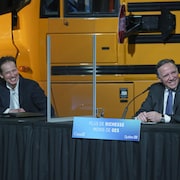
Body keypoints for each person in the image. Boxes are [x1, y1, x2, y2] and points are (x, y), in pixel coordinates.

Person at [135, 58, 180, 123]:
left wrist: (163, 118)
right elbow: (143, 110)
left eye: (173, 72)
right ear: (159, 79)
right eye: (166, 75)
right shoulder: (155, 89)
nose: (171, 78)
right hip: (157, 131)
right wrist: (141, 116)